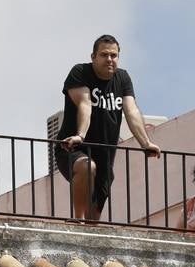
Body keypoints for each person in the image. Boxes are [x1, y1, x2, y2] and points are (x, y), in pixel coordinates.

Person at [56, 34, 160, 220]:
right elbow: (85, 104)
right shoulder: (80, 72)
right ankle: (76, 222)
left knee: (95, 216)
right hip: (72, 147)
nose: (110, 59)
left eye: (114, 55)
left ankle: (87, 232)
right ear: (93, 57)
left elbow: (131, 111)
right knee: (87, 167)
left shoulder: (122, 78)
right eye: (104, 55)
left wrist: (146, 143)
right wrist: (80, 135)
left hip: (105, 155)